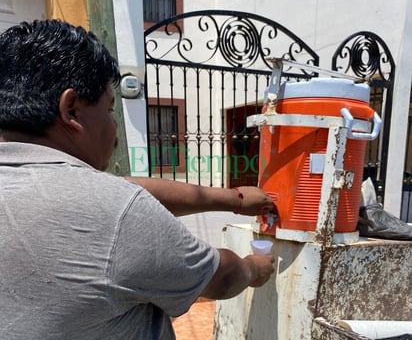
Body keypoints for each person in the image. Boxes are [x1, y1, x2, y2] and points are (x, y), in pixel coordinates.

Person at [0, 19, 276, 340]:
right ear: (71, 109)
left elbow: (121, 192)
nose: (113, 125)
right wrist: (254, 267)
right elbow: (222, 277)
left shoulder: (40, 187)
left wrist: (235, 200)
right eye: (109, 109)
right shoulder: (114, 210)